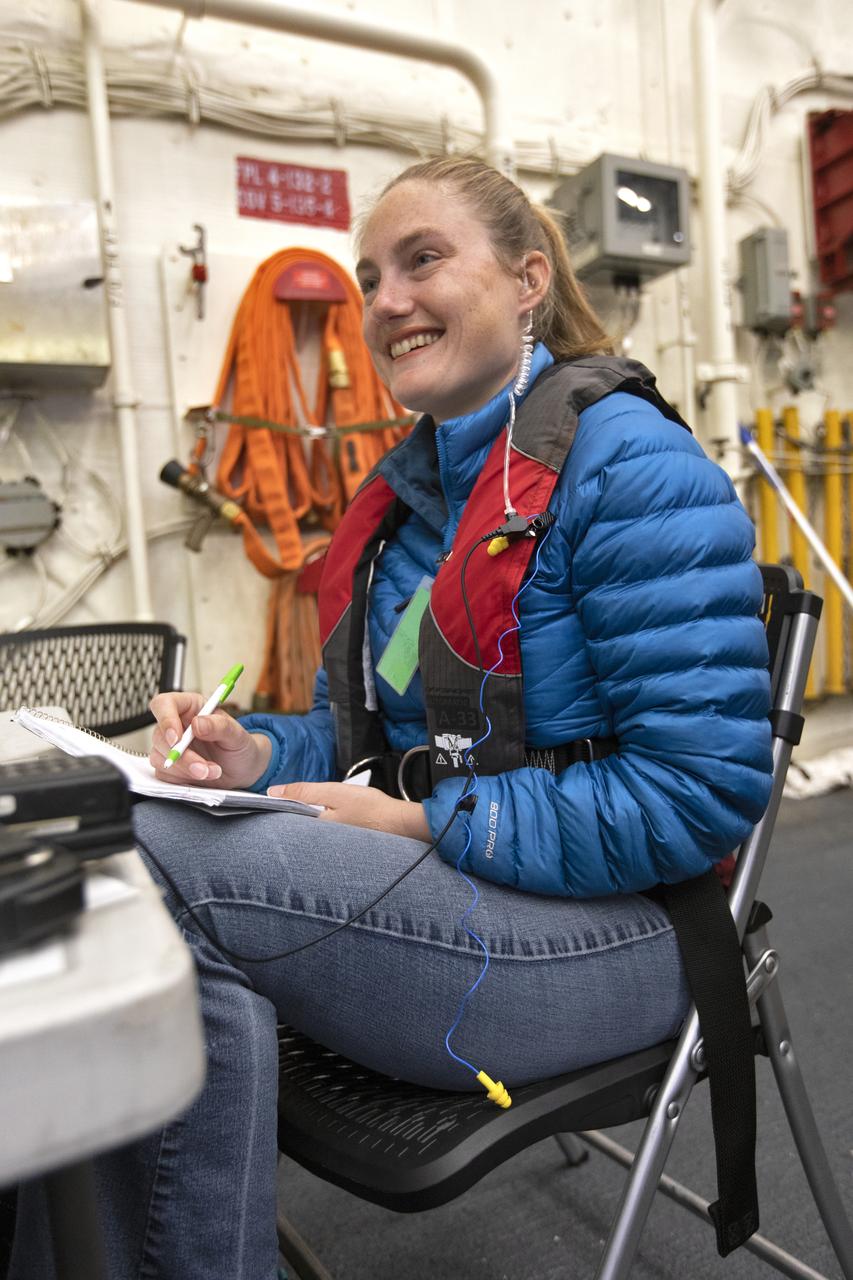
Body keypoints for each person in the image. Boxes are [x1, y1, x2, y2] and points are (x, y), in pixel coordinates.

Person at [10, 157, 773, 1280]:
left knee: (150, 857)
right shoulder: (421, 504)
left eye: (423, 260)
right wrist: (254, 752)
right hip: (474, 887)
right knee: (114, 852)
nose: (386, 300)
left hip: (631, 936)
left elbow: (697, 792)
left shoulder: (632, 466)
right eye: (370, 277)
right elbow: (367, 738)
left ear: (527, 280)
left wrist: (423, 821)